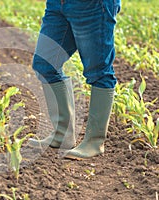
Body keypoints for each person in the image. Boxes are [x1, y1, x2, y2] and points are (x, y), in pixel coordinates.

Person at [28, 0, 121, 160]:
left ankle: (94, 142)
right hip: (58, 4)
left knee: (98, 71)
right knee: (45, 64)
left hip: (93, 5)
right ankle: (62, 134)